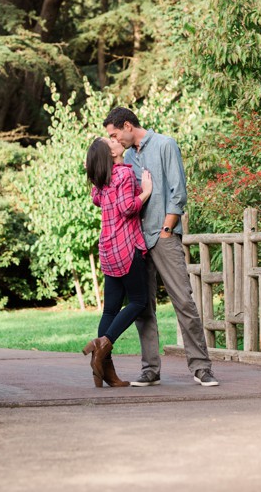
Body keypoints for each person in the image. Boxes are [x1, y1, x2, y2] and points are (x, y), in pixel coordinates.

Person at [102, 107, 219, 387]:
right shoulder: (127, 157)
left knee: (184, 301)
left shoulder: (166, 145)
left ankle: (201, 367)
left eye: (115, 134)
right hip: (136, 243)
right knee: (143, 307)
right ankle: (150, 369)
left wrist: (167, 229)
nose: (114, 140)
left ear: (128, 125)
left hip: (163, 236)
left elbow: (178, 192)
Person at [82, 136, 153, 387]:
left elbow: (98, 199)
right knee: (138, 301)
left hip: (107, 248)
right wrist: (145, 192)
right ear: (111, 154)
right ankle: (103, 344)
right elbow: (127, 208)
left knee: (110, 309)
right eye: (109, 142)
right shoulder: (123, 174)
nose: (115, 141)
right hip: (126, 246)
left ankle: (105, 369)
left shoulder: (100, 182)